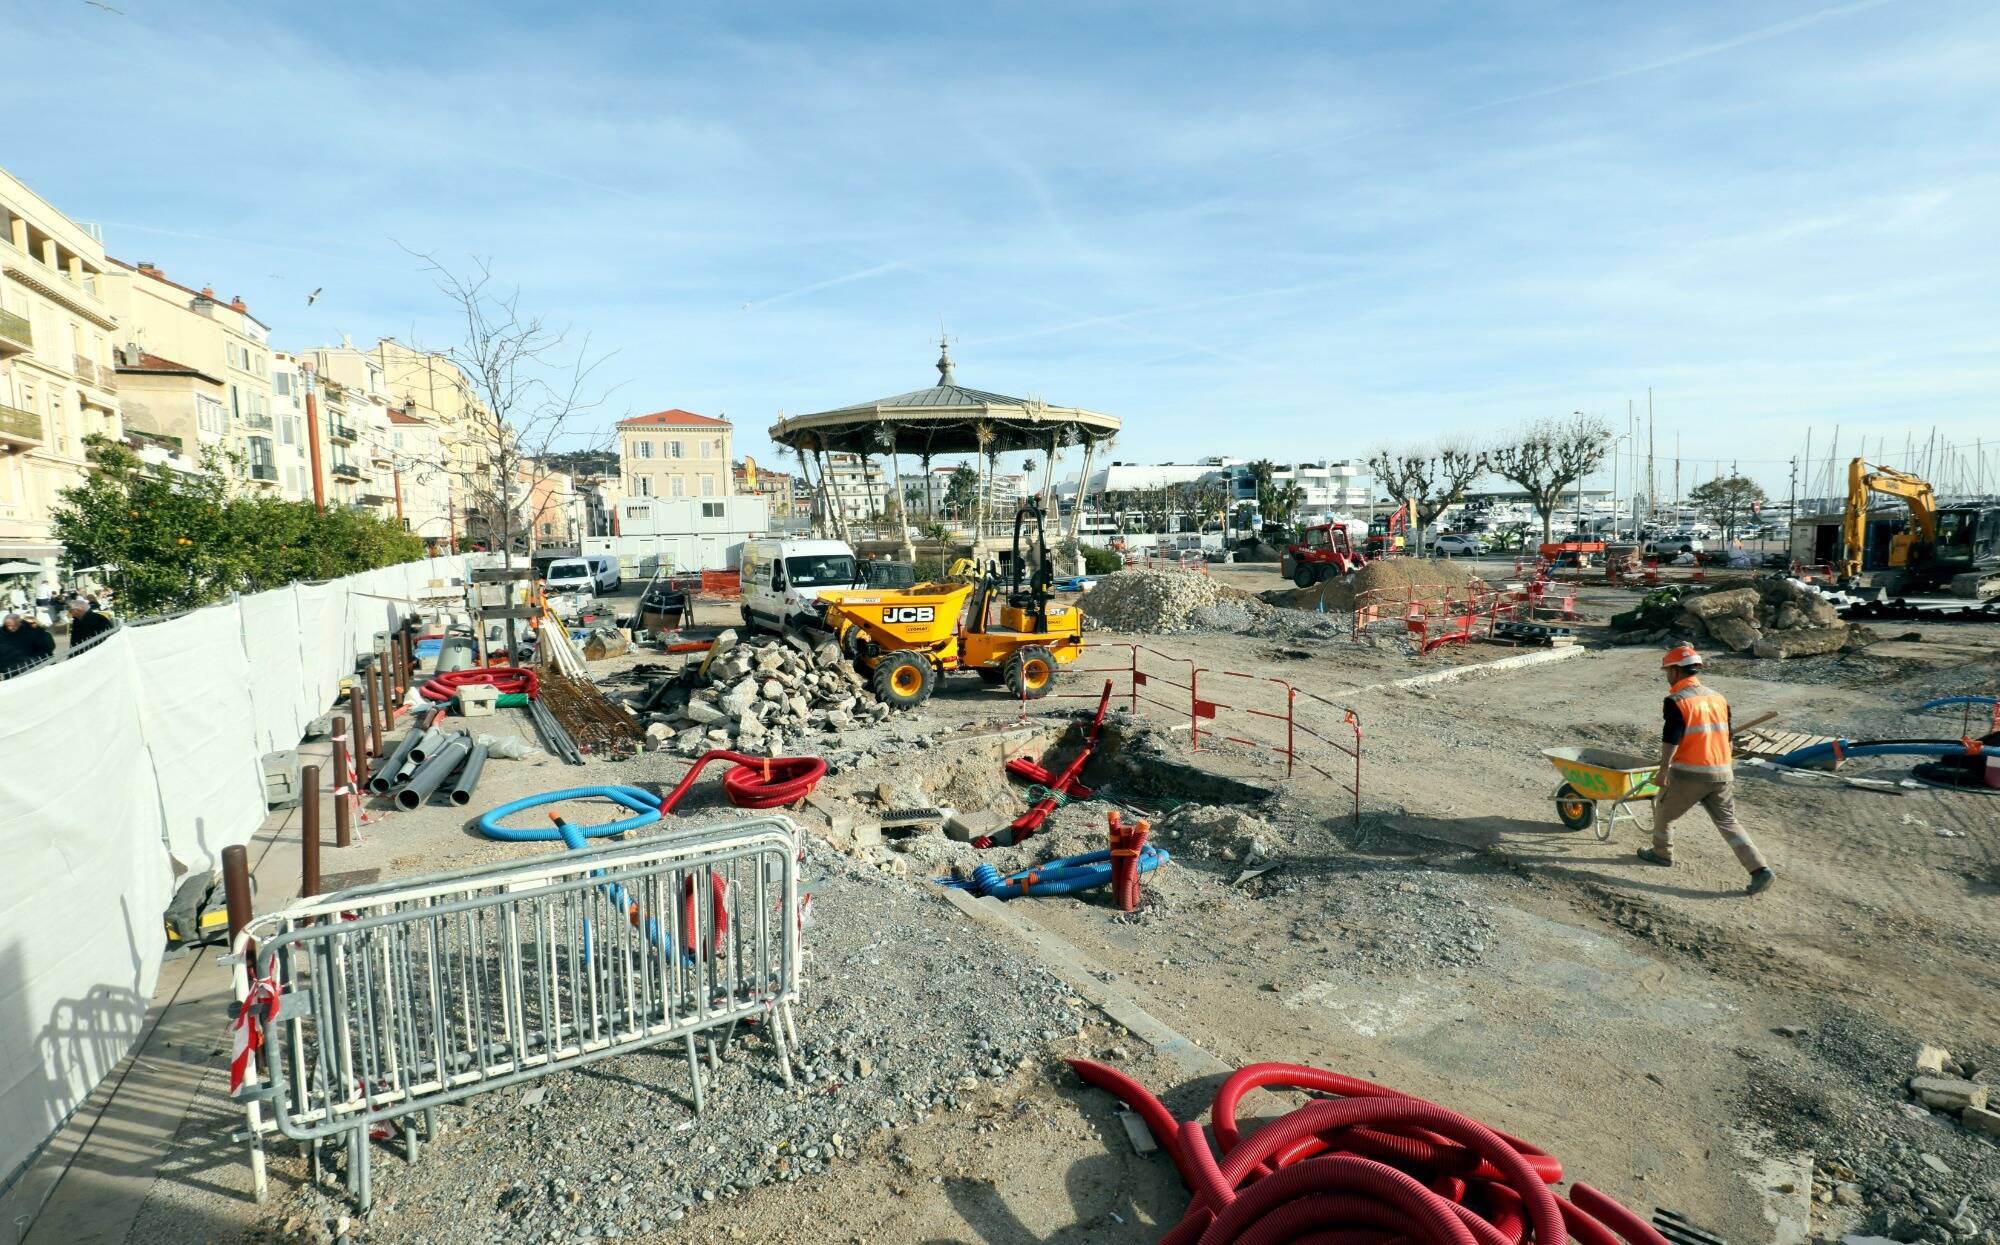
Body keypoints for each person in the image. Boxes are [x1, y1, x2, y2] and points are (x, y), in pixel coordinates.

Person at [1638, 644, 1775, 894]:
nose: (1667, 675)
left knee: (1665, 812)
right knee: (1728, 821)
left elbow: (1672, 738)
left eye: (1668, 670)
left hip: (1691, 773)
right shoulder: (1717, 697)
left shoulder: (1676, 700)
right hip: (1722, 772)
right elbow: (1729, 737)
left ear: (1677, 671)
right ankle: (1759, 870)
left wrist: (1663, 770)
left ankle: (1661, 854)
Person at [1, 612, 56, 676]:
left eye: (14, 625)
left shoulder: (30, 629)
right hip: (11, 670)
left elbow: (47, 646)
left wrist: (38, 628)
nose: (10, 628)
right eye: (8, 625)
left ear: (19, 623)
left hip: (32, 666)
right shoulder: (2, 634)